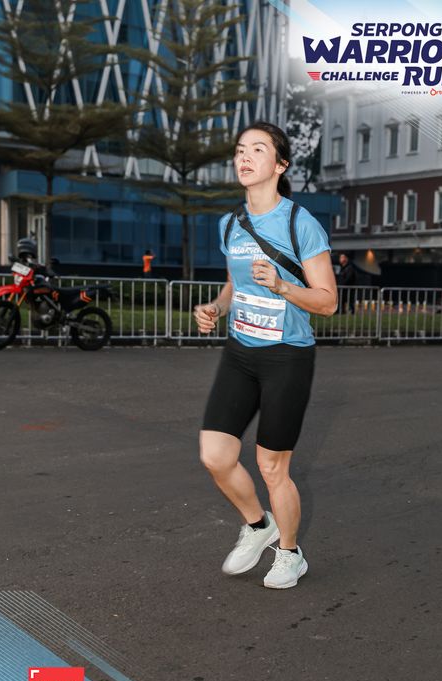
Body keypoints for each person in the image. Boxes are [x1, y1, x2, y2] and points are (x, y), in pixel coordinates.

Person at [194, 121, 338, 589]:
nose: (245, 157)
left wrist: (282, 286)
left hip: (286, 358)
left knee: (273, 467)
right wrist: (216, 308)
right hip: (240, 352)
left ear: (280, 165)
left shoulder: (300, 224)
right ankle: (259, 526)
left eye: (258, 149)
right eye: (240, 150)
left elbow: (328, 302)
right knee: (215, 455)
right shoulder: (231, 223)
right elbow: (233, 285)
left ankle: (291, 554)